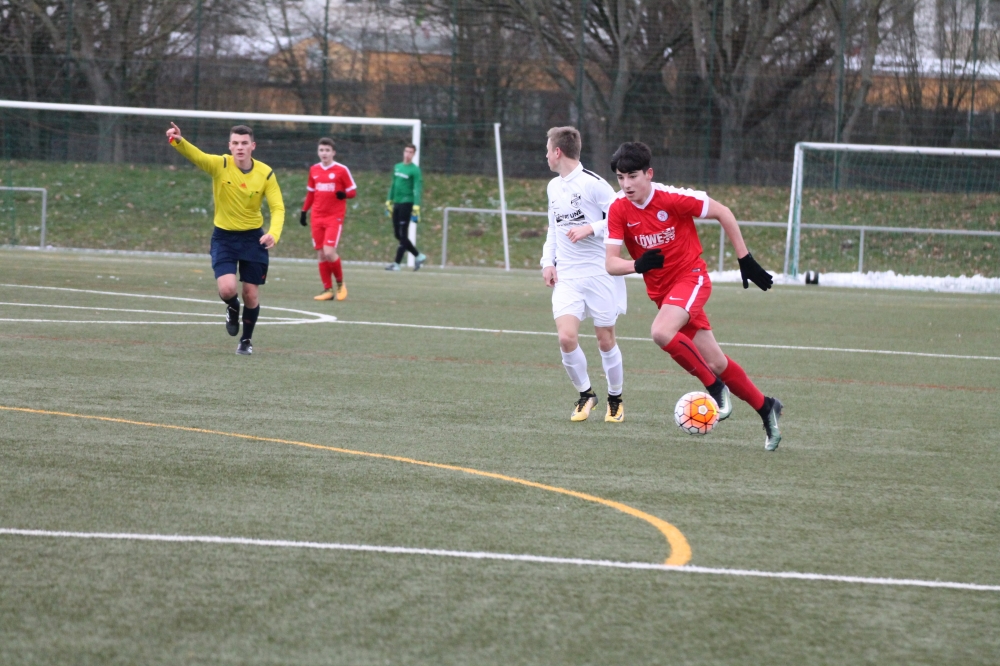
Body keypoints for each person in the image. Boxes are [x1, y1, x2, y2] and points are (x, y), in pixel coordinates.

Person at [604, 142, 783, 450]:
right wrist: (637, 265)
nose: (626, 184)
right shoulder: (618, 208)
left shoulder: (673, 198)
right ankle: (766, 407)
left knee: (661, 332)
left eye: (632, 176)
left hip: (692, 278)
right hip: (664, 295)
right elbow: (610, 263)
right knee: (716, 361)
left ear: (648, 174)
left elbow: (723, 212)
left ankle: (715, 389)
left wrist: (745, 259)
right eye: (620, 178)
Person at [166, 122, 285, 356]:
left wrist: (274, 233)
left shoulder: (266, 173)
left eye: (244, 143)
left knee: (251, 293)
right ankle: (232, 306)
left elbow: (278, 207)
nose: (240, 147)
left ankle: (246, 340)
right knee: (228, 289)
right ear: (229, 146)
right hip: (224, 238)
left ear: (253, 146)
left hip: (254, 239)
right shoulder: (220, 165)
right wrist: (178, 141)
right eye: (235, 143)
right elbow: (198, 156)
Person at [540, 126, 627, 423]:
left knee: (605, 339)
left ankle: (615, 399)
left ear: (558, 152)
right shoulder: (553, 187)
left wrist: (591, 228)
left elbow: (621, 216)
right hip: (567, 275)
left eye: (547, 150)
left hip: (600, 272)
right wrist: (547, 262)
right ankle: (586, 394)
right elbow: (554, 229)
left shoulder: (594, 184)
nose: (546, 156)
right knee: (566, 338)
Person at [300, 137, 357, 301]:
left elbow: (352, 191)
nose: (324, 153)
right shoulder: (314, 170)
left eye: (327, 150)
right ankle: (328, 290)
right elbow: (311, 193)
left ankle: (340, 284)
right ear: (318, 152)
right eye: (321, 150)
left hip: (334, 217)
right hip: (317, 216)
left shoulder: (341, 170)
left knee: (329, 252)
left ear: (333, 153)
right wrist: (304, 211)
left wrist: (344, 194)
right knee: (321, 253)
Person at [384, 144, 427, 271]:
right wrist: (389, 200)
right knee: (397, 234)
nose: (407, 154)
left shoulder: (415, 170)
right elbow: (393, 184)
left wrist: (416, 205)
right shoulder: (397, 167)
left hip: (407, 203)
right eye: (406, 151)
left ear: (414, 154)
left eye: (410, 152)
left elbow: (417, 188)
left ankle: (396, 264)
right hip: (397, 203)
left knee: (403, 234)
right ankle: (418, 256)